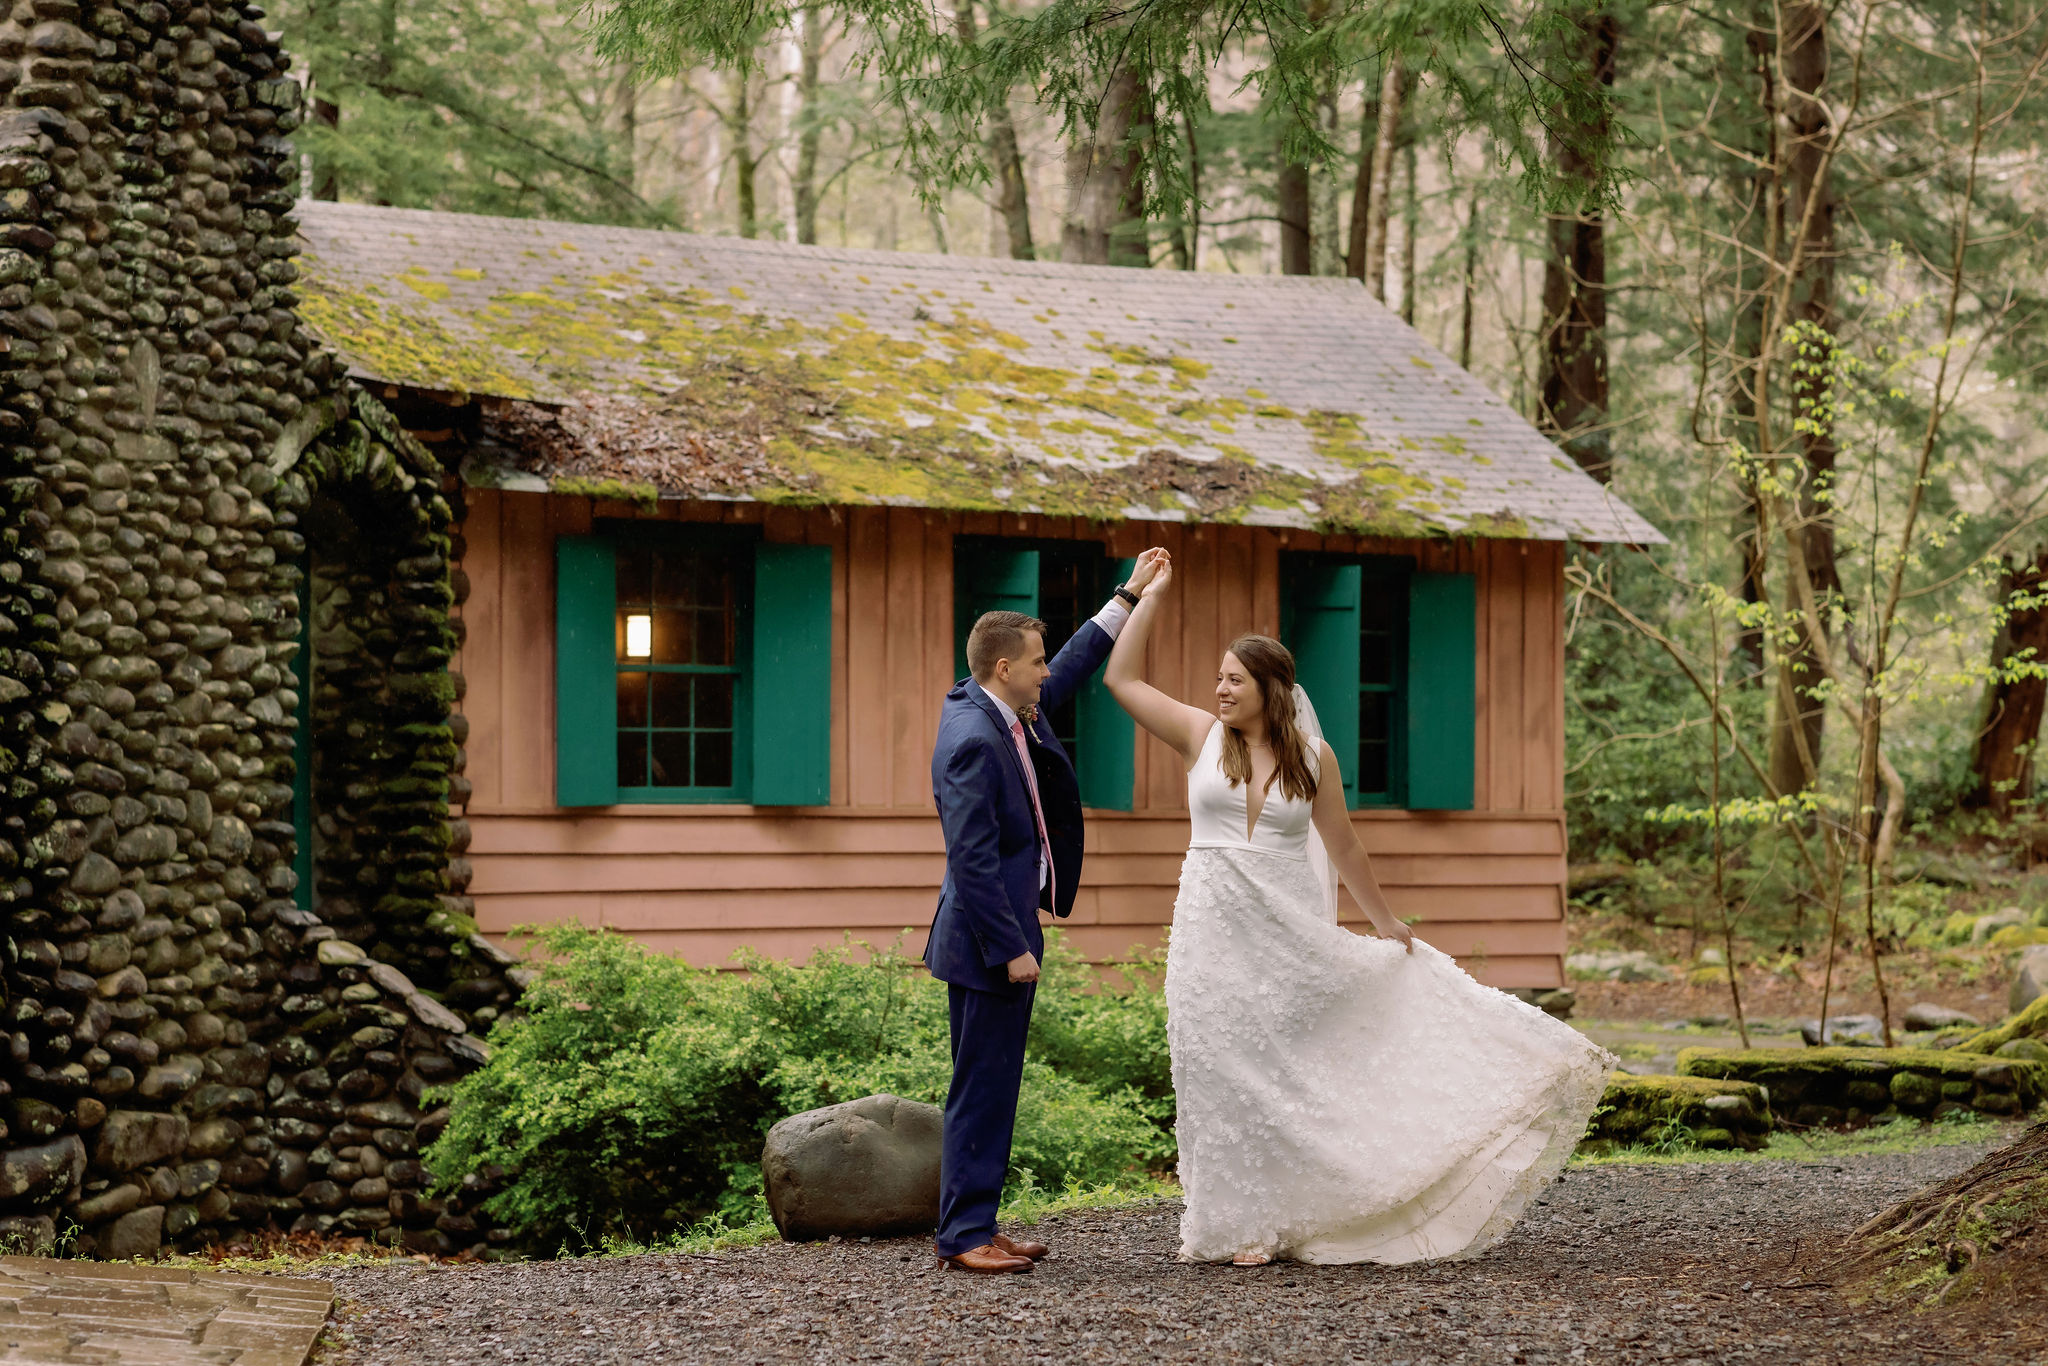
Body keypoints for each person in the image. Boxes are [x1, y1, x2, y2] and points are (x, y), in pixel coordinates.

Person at [1103, 556, 1613, 1266]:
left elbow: (1342, 843)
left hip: (1282, 931)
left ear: (1271, 690)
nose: (1219, 688)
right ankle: (1230, 1222)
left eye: (1234, 679)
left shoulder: (1315, 758)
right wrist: (1145, 597)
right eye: (1218, 677)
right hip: (1210, 931)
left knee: (1280, 1068)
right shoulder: (1200, 737)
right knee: (1215, 1065)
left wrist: (1384, 922)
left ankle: (1291, 1213)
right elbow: (1119, 679)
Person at [926, 546, 1171, 1274]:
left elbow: (1070, 664)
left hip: (1004, 928)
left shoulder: (1001, 706)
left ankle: (978, 1222)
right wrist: (1011, 945)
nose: (1044, 672)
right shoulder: (973, 740)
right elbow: (970, 861)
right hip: (985, 940)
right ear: (1005, 669)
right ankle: (964, 1238)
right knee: (981, 1088)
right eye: (1033, 662)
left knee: (995, 1087)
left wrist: (1125, 596)